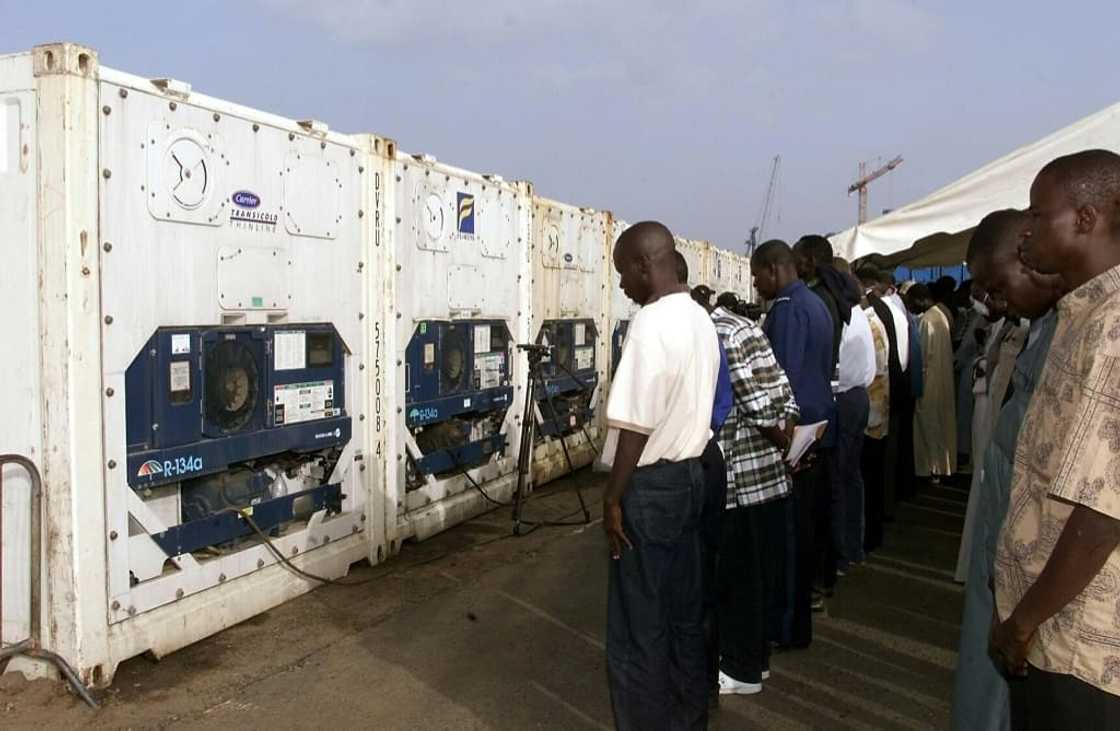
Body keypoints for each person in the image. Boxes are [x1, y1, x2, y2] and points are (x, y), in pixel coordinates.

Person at [991, 149, 1120, 726]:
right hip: (1049, 627)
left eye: (1038, 214)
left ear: (1087, 219)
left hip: (1078, 646)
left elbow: (1102, 516)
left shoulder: (1114, 327)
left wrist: (1023, 621)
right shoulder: (1082, 314)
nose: (1028, 227)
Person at [603, 221, 721, 730]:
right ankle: (688, 722)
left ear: (643, 264)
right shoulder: (700, 317)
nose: (623, 287)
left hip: (650, 490)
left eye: (623, 275)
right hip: (693, 479)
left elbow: (634, 427)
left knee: (638, 630)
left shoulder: (650, 324)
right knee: (686, 620)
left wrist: (613, 498)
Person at [949, 209, 1063, 731]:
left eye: (997, 286)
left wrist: (1024, 615)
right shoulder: (1042, 325)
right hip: (1006, 568)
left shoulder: (1081, 330)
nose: (994, 302)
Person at [708, 293, 800, 696]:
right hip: (765, 477)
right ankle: (755, 663)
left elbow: (752, 400)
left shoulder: (718, 333)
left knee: (735, 581)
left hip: (739, 479)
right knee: (759, 577)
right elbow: (782, 391)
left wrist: (782, 442)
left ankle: (740, 669)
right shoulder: (746, 327)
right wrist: (792, 441)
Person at [751, 239, 835, 649]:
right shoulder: (817, 304)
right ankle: (797, 622)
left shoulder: (785, 311)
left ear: (773, 269)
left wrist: (783, 443)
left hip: (795, 436)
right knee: (803, 535)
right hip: (819, 427)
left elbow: (778, 384)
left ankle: (782, 628)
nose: (754, 284)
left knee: (784, 541)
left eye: (756, 275)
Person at [855, 265, 902, 551]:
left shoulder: (867, 321)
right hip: (878, 413)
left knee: (867, 482)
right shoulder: (879, 318)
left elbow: (861, 374)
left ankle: (868, 538)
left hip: (871, 417)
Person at [906, 283, 956, 480]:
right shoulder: (940, 315)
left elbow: (924, 358)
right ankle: (941, 466)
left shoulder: (927, 320)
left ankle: (931, 468)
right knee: (941, 424)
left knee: (929, 425)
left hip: (930, 382)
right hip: (943, 378)